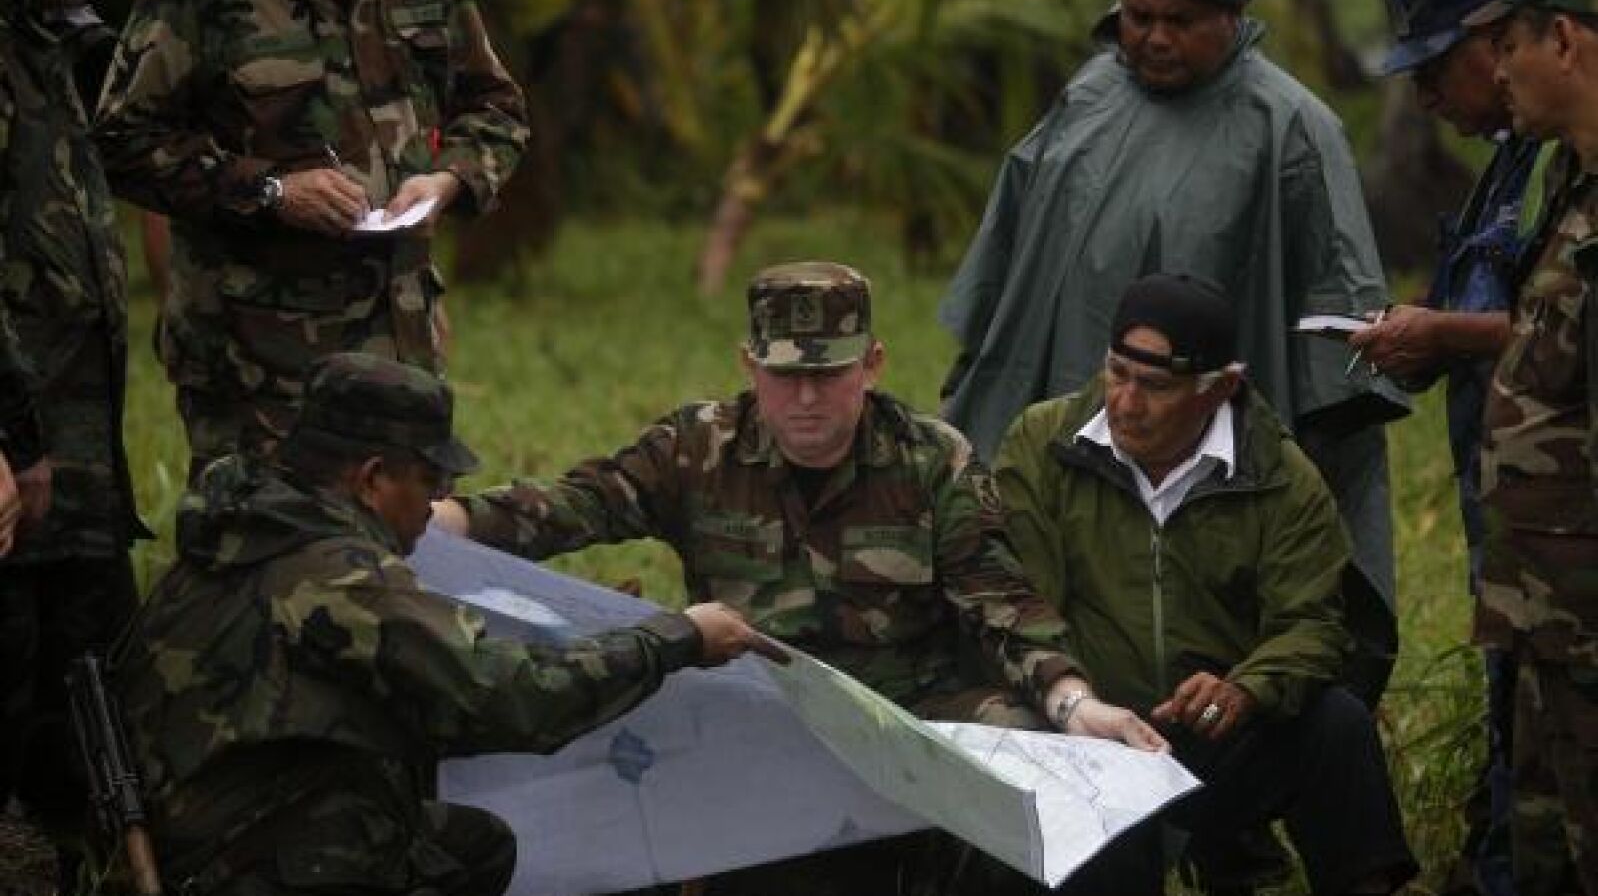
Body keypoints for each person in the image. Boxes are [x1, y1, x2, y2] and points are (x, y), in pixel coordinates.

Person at [431, 261, 1165, 895]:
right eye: (785, 376)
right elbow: (574, 506)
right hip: (752, 706)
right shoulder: (699, 447)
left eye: (828, 374)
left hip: (910, 710)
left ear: (872, 364)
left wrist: (1073, 703)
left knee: (1043, 762)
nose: (806, 399)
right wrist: (437, 523)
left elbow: (1000, 603)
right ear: (750, 365)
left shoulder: (931, 460)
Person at [113, 353, 781, 896]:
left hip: (199, 826)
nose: (438, 503)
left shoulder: (247, 526)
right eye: (430, 480)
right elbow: (513, 697)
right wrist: (678, 639)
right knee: (468, 849)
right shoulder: (336, 579)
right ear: (373, 479)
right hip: (243, 858)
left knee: (471, 841)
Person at [938, 0, 1409, 709]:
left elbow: (1336, 315)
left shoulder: (1289, 127)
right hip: (1065, 435)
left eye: (1181, 22)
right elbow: (1009, 257)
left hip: (1207, 476)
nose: (1156, 38)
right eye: (1139, 17)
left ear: (1232, 14)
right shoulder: (1087, 97)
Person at [993, 273, 1418, 896]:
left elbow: (1312, 624)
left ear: (1220, 388)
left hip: (1218, 733)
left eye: (1155, 386)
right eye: (1116, 373)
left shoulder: (1278, 474)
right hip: (1090, 725)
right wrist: (1078, 700)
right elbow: (1020, 599)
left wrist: (1246, 689)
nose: (1125, 403)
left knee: (1336, 724)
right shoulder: (1045, 445)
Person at [94, 0, 530, 481]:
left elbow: (495, 108)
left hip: (402, 337)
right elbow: (121, 140)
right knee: (272, 523)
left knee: (408, 521)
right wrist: (271, 191)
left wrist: (446, 182)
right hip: (259, 363)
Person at [1358, 0, 1552, 893]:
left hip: (1563, 523)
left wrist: (1448, 334)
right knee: (1514, 717)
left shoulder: (1568, 161)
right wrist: (1420, 335)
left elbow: (1567, 328)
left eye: (1439, 71)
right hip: (1502, 508)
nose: (1430, 99)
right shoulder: (1505, 166)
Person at [0, 0, 148, 886]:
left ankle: (79, 862)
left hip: (79, 456)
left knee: (91, 685)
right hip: (19, 453)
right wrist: (10, 436)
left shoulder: (52, 48)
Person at [1454, 0, 1598, 891]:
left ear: (1566, 40)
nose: (1498, 71)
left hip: (1587, 620)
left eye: (1508, 46)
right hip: (1547, 617)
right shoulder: (1567, 184)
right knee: (1542, 852)